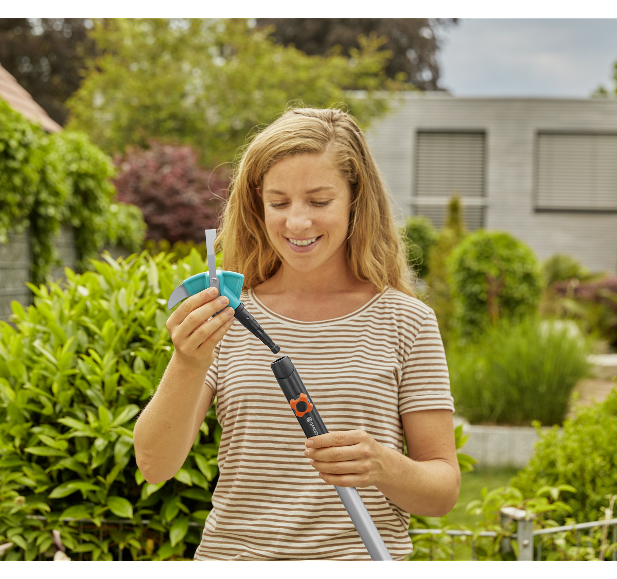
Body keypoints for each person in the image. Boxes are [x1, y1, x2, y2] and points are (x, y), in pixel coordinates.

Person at [133, 107, 460, 560]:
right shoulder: (228, 314)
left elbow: (443, 492)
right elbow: (154, 465)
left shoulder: (407, 321)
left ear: (355, 200)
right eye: (279, 202)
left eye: (319, 201)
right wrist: (188, 361)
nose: (297, 223)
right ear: (258, 205)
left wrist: (383, 466)